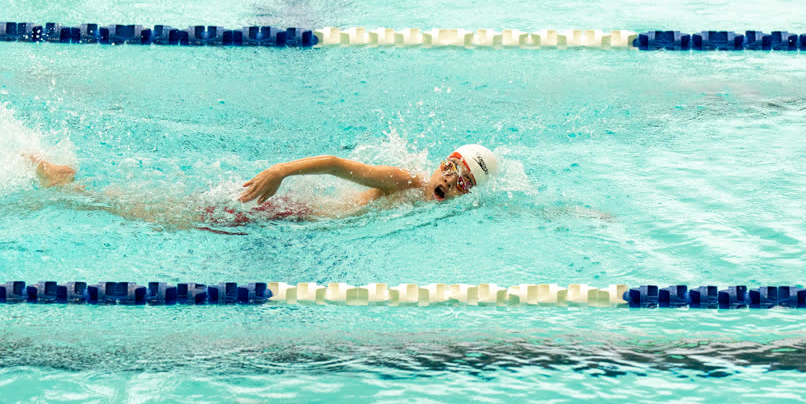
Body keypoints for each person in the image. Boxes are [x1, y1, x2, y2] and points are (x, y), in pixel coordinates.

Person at [27, 144, 502, 229]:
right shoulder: (404, 181)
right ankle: (71, 189)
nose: (452, 183)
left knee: (174, 215)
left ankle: (76, 189)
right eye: (452, 171)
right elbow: (337, 165)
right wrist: (280, 171)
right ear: (443, 163)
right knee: (172, 218)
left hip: (296, 220)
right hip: (289, 214)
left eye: (464, 183)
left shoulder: (429, 202)